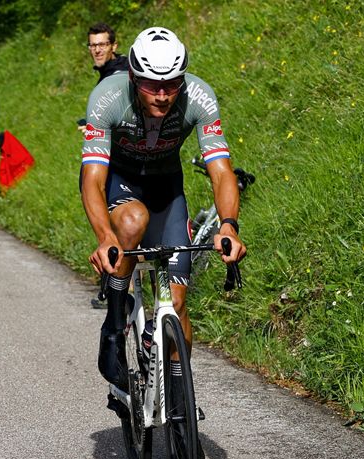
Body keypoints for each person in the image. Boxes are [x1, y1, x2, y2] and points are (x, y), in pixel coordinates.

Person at [79, 27, 246, 411]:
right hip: (119, 183)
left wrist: (228, 225)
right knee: (133, 222)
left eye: (171, 84)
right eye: (152, 85)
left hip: (166, 188)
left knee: (178, 302)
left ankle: (178, 404)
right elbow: (92, 179)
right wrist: (105, 236)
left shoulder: (199, 97)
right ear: (134, 77)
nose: (162, 95)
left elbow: (221, 171)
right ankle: (114, 323)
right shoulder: (108, 98)